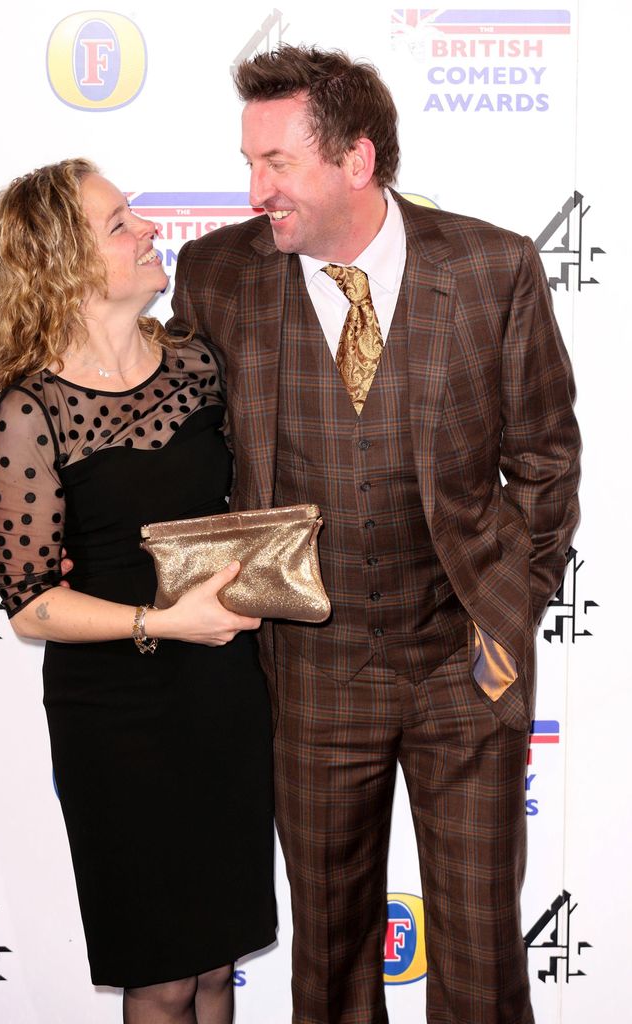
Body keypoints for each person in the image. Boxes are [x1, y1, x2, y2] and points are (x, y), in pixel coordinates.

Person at [167, 45, 581, 1024]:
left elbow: (547, 463)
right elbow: (182, 456)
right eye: (249, 161)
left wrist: (503, 621)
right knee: (334, 971)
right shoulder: (216, 274)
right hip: (308, 674)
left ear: (356, 160)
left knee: (481, 969)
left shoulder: (493, 267)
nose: (255, 187)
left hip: (464, 672)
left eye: (278, 162)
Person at [0, 158, 276, 1024]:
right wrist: (161, 620)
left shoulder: (200, 368)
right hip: (116, 716)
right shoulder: (28, 411)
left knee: (217, 966)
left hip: (223, 693)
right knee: (161, 977)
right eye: (119, 223)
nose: (148, 231)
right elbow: (32, 600)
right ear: (61, 261)